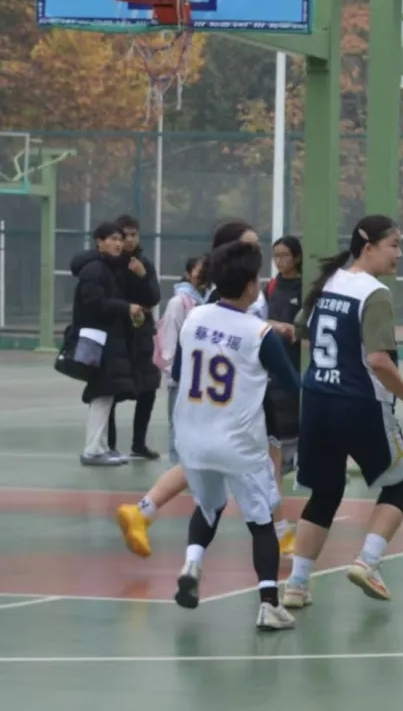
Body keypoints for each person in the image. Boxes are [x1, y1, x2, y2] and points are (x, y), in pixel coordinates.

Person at [115, 220, 297, 557]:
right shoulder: (223, 296)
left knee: (216, 460)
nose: (255, 252)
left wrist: (270, 326)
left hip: (240, 392)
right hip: (237, 396)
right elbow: (235, 329)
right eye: (248, 245)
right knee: (255, 461)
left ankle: (144, 510)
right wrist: (269, 331)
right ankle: (279, 532)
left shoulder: (237, 290)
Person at [282, 215, 403, 609]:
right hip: (359, 402)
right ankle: (368, 561)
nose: (399, 253)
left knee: (325, 492)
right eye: (394, 245)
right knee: (400, 483)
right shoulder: (375, 293)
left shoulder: (327, 282)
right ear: (368, 247)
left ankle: (296, 584)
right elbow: (378, 360)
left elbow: (301, 330)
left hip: (317, 401)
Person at [171, 240, 301, 631]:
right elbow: (291, 383)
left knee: (208, 506)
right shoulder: (258, 332)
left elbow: (178, 372)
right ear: (248, 286)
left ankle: (192, 563)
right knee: (261, 521)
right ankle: (269, 604)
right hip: (238, 442)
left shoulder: (195, 318)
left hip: (191, 437)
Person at [71, 221, 142, 466]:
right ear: (99, 242)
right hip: (98, 341)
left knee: (105, 393)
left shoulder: (108, 268)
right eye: (112, 239)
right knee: (101, 393)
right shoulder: (94, 269)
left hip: (107, 339)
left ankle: (101, 447)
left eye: (120, 239)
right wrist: (126, 307)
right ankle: (93, 450)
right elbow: (95, 303)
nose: (118, 244)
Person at [107, 214, 162, 461]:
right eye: (124, 235)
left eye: (133, 235)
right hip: (117, 334)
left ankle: (139, 443)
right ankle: (108, 444)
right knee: (110, 390)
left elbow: (154, 297)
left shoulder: (144, 264)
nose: (129, 240)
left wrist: (142, 276)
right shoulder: (108, 264)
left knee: (148, 387)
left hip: (141, 334)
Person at [156, 256, 209, 466]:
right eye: (199, 271)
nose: (204, 276)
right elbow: (169, 339)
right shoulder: (178, 303)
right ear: (188, 274)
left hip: (200, 377)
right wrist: (173, 374)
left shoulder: (206, 302)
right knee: (178, 425)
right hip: (180, 378)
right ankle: (177, 469)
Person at [265, 235, 304, 475]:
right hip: (273, 361)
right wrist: (274, 326)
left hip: (296, 359)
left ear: (297, 257)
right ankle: (279, 463)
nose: (279, 261)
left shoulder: (305, 288)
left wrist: (295, 331)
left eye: (284, 255)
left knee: (293, 407)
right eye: (276, 256)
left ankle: (293, 459)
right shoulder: (271, 287)